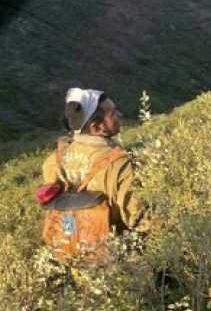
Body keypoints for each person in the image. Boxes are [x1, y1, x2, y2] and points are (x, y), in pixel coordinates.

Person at [41, 88, 144, 241]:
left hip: (64, 247)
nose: (119, 115)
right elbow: (138, 219)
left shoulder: (52, 162)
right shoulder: (119, 165)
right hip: (110, 255)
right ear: (96, 128)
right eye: (113, 113)